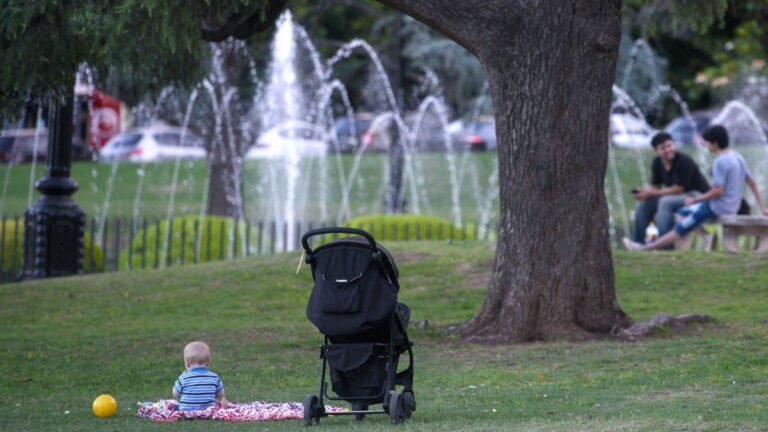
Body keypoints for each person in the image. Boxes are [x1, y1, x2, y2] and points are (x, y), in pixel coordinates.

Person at [624, 125, 768, 251]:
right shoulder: (737, 157)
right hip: (721, 205)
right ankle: (643, 242)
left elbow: (718, 190)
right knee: (680, 213)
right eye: (663, 148)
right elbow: (753, 184)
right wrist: (763, 208)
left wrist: (696, 199)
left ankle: (647, 248)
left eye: (707, 142)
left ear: (715, 143)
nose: (706, 145)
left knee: (681, 227)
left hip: (715, 207)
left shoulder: (719, 162)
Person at [630, 131, 710, 243]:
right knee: (643, 204)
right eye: (663, 148)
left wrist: (651, 193)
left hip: (697, 196)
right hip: (678, 197)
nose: (668, 150)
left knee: (665, 202)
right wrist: (644, 193)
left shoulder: (684, 160)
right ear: (656, 151)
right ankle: (638, 243)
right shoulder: (657, 162)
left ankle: (663, 244)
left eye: (670, 145)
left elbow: (678, 189)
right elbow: (656, 187)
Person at [172, 341, 228, 410]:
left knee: (172, 405)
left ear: (187, 362)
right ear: (209, 361)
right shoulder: (214, 377)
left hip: (186, 411)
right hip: (208, 411)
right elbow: (221, 394)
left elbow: (175, 394)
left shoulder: (183, 378)